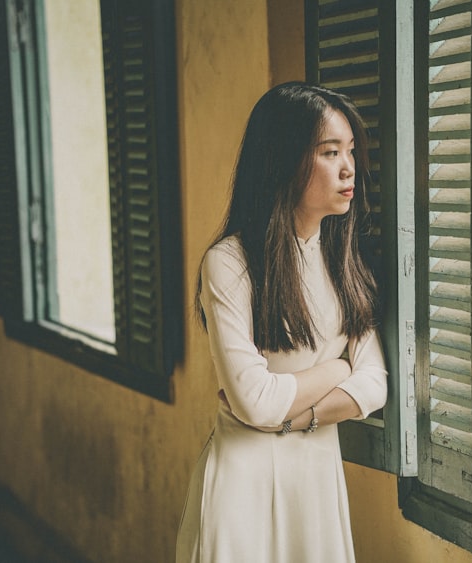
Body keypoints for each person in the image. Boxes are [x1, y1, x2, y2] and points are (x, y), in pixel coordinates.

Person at [176, 82, 388, 562]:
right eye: (330, 152)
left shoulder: (343, 259)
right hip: (245, 482)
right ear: (283, 160)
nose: (349, 168)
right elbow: (254, 401)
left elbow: (375, 386)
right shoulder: (229, 263)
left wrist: (294, 418)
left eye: (350, 150)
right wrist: (338, 371)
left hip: (315, 479)